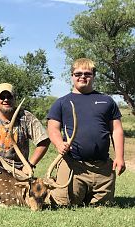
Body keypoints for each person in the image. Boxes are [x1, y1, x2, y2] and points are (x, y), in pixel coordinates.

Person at [47, 58, 126, 206]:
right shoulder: (62, 102)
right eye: (78, 73)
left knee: (103, 205)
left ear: (93, 76)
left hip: (102, 167)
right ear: (72, 76)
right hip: (73, 164)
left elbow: (116, 130)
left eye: (87, 73)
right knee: (63, 203)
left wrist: (120, 157)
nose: (82, 76)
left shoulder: (106, 101)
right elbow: (52, 128)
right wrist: (59, 143)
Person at [0, 83, 50, 174]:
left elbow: (44, 141)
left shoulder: (26, 117)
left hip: (18, 168)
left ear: (14, 98)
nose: (6, 99)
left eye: (9, 96)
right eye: (2, 97)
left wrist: (30, 165)